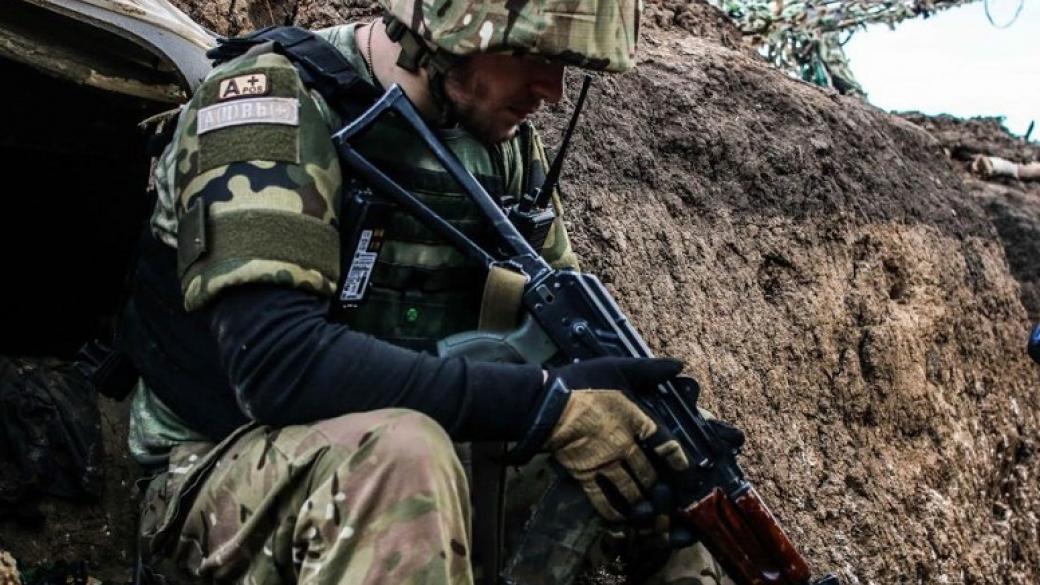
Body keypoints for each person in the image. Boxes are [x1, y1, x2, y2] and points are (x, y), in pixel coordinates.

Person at [120, 1, 732, 583]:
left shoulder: (500, 145)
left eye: (567, 63)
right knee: (403, 457)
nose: (553, 90)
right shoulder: (270, 104)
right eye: (533, 54)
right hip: (218, 474)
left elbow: (564, 344)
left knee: (659, 448)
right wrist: (543, 405)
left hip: (419, 461)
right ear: (446, 26)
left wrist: (639, 416)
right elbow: (277, 365)